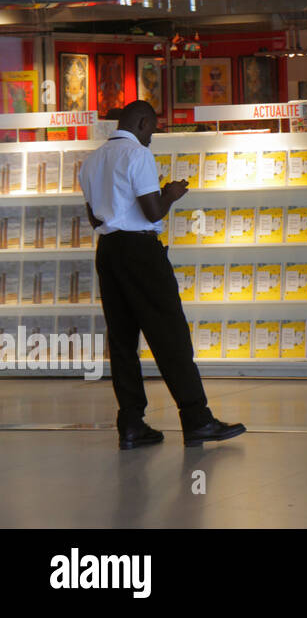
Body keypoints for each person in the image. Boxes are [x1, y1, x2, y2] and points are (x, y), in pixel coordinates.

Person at [80, 100, 245, 449]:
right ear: (141, 122)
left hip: (108, 252)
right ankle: (197, 418)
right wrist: (170, 194)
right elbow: (152, 209)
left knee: (122, 340)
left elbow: (95, 219)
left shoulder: (92, 160)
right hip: (141, 251)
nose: (152, 137)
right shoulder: (138, 155)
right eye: (152, 129)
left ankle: (131, 423)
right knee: (170, 333)